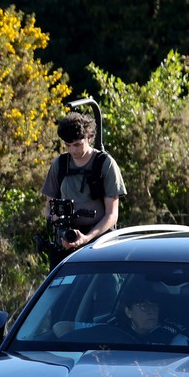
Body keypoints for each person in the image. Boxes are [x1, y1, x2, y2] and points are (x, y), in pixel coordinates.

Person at [41, 112, 124, 266]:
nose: (73, 150)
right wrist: (58, 223)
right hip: (66, 240)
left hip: (100, 242)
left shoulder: (105, 164)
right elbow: (49, 207)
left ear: (89, 138)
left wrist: (87, 238)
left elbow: (112, 215)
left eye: (77, 144)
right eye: (68, 145)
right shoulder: (60, 164)